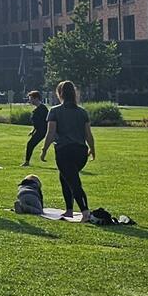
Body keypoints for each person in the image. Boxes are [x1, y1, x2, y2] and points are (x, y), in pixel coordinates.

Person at [38, 80, 96, 221]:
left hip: (64, 151)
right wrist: (93, 150)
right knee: (65, 178)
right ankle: (69, 210)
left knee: (74, 182)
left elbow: (50, 133)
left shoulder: (55, 111)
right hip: (81, 152)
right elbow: (88, 134)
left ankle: (85, 211)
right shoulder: (82, 112)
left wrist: (44, 149)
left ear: (60, 94)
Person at [23, 90, 49, 166]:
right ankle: (27, 161)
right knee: (30, 144)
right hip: (39, 130)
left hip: (44, 131)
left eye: (31, 99)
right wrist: (33, 130)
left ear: (36, 98)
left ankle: (27, 162)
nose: (30, 100)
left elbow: (46, 121)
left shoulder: (43, 109)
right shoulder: (37, 109)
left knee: (30, 144)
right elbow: (37, 122)